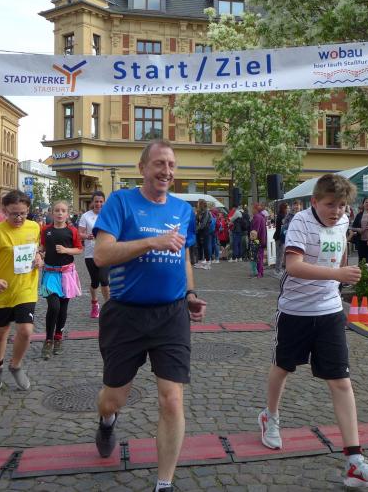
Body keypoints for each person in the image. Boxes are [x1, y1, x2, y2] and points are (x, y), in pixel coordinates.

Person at [257, 173, 368, 488]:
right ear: (315, 201)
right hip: (295, 311)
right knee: (283, 368)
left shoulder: (343, 221)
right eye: (330, 204)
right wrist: (337, 273)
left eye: (342, 205)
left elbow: (340, 251)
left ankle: (354, 461)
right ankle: (270, 416)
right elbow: (293, 266)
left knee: (341, 381)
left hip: (329, 311)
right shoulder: (300, 222)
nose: (337, 211)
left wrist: (339, 275)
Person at [92, 140, 207, 492]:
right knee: (114, 399)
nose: (166, 171)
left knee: (172, 398)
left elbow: (183, 257)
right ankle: (107, 421)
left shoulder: (182, 210)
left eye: (171, 164)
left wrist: (190, 294)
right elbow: (101, 255)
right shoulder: (120, 202)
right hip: (126, 315)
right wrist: (150, 242)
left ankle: (164, 483)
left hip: (171, 315)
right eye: (159, 163)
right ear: (142, 168)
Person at [0, 190, 43, 391]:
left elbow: (36, 249)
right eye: (14, 214)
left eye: (23, 213)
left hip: (26, 288)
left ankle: (16, 365)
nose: (19, 218)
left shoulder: (34, 227)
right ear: (5, 211)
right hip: (2, 291)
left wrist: (39, 258)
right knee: (1, 332)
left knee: (25, 330)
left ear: (28, 210)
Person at [39, 200, 83, 360]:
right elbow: (42, 247)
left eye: (63, 211)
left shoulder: (72, 231)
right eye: (57, 210)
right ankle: (48, 340)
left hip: (67, 274)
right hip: (50, 274)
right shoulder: (45, 230)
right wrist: (39, 254)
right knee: (54, 306)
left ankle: (58, 337)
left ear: (67, 213)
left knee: (63, 308)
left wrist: (66, 250)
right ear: (52, 212)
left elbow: (79, 249)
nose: (60, 213)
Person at [79, 191, 110, 318]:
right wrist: (87, 236)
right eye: (96, 201)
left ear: (104, 202)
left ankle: (108, 307)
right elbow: (79, 233)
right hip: (90, 253)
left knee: (104, 279)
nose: (98, 204)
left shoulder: (109, 215)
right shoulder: (86, 216)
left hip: (105, 252)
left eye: (101, 201)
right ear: (92, 202)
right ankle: (94, 303)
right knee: (95, 282)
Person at [351, 197, 368, 264]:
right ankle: (362, 270)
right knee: (361, 259)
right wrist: (359, 229)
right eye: (366, 202)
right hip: (361, 240)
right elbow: (353, 227)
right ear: (363, 204)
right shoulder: (359, 215)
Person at [251, 203, 268, 277]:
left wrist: (253, 240)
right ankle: (260, 272)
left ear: (255, 209)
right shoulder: (261, 216)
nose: (251, 210)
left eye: (252, 209)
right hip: (262, 239)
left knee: (258, 257)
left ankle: (259, 272)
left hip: (258, 240)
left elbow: (255, 231)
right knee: (260, 256)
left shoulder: (257, 217)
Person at [194, 199, 212, 269]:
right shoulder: (199, 212)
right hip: (200, 231)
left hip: (205, 231)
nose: (197, 204)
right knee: (199, 247)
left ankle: (208, 263)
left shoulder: (206, 212)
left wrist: (196, 229)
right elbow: (196, 221)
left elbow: (203, 224)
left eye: (198, 203)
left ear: (201, 204)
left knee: (206, 246)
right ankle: (199, 262)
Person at [273, 202, 289, 275]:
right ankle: (277, 270)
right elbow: (283, 227)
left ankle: (278, 269)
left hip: (279, 237)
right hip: (280, 237)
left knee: (280, 254)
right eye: (287, 208)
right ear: (284, 208)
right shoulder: (282, 216)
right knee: (280, 254)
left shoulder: (281, 215)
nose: (288, 209)